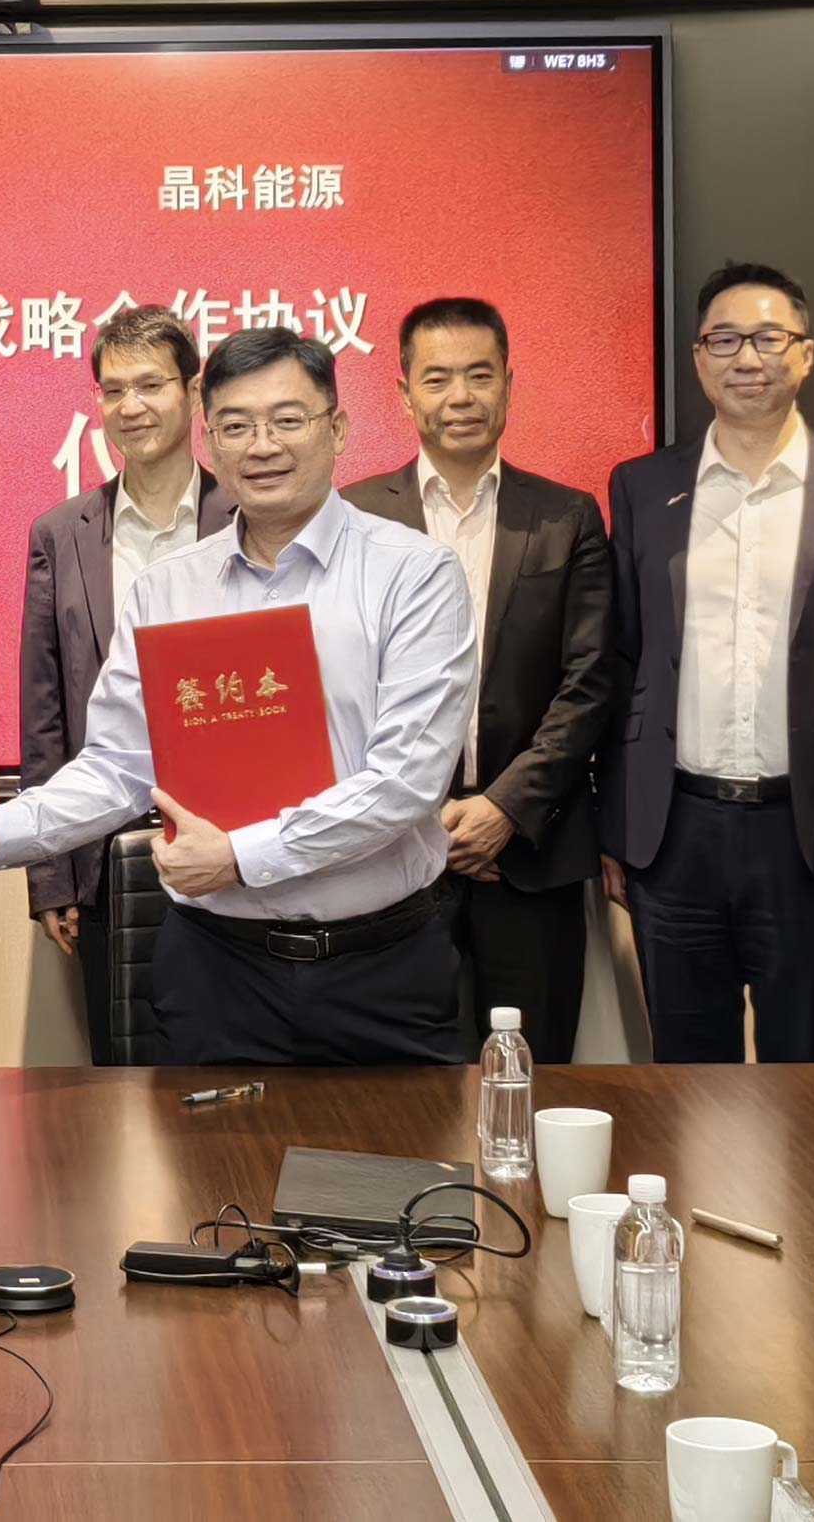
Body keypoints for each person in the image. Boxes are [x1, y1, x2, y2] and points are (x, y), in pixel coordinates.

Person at [0, 328, 477, 1066]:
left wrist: (239, 856)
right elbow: (116, 766)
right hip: (216, 971)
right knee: (206, 1147)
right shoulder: (168, 590)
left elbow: (405, 783)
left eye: (287, 420)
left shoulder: (415, 573)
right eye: (235, 426)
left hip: (381, 968)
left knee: (393, 1149)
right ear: (208, 439)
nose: (262, 446)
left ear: (337, 429)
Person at [600, 262, 814, 1064]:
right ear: (698, 358)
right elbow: (621, 656)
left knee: (806, 1075)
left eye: (768, 338)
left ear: (804, 354)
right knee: (684, 1073)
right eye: (724, 340)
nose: (747, 357)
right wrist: (613, 825)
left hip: (808, 832)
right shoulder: (642, 487)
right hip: (673, 835)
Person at [344, 297, 617, 1062]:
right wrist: (420, 816)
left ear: (507, 384)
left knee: (533, 1082)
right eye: (437, 379)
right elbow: (343, 691)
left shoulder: (566, 516)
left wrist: (504, 807)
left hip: (531, 855)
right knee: (401, 1094)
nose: (459, 396)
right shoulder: (354, 518)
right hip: (394, 858)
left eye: (479, 375)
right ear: (404, 394)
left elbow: (589, 679)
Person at [18, 305, 232, 1062]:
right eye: (113, 391)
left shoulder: (249, 516)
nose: (130, 407)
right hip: (104, 855)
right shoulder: (60, 533)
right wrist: (51, 877)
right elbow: (44, 713)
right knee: (120, 1077)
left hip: (235, 848)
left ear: (194, 392)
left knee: (234, 1067)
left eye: (150, 385)